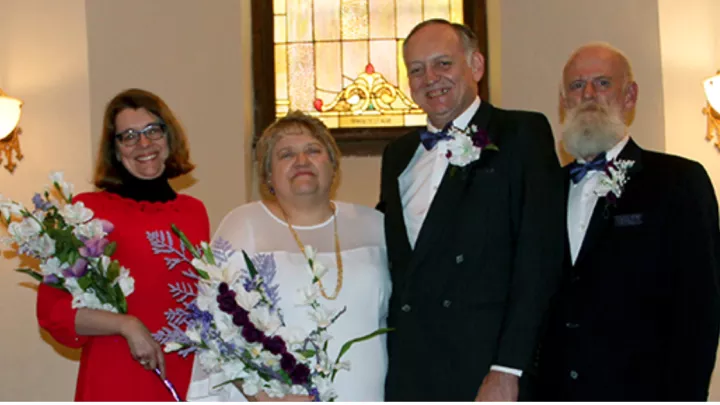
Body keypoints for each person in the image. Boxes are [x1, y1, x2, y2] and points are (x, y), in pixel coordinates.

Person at [377, 19, 565, 401]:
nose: (430, 78)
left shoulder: (521, 134)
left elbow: (539, 257)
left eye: (443, 64)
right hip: (412, 369)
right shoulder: (397, 154)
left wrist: (508, 368)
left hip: (485, 368)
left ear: (475, 66)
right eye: (416, 69)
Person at [534, 43, 720, 401]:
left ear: (630, 95)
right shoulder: (545, 190)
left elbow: (701, 306)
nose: (588, 94)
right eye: (576, 86)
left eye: (602, 83)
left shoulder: (678, 180)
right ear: (563, 101)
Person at [186, 111, 390, 402]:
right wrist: (265, 398)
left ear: (333, 165)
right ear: (268, 175)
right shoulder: (244, 225)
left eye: (313, 150)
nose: (301, 161)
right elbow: (216, 328)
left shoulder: (374, 224)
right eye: (286, 155)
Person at [36, 88, 210, 401]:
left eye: (153, 131)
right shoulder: (87, 211)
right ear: (115, 150)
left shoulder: (195, 211)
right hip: (118, 372)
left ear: (169, 137)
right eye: (128, 136)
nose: (144, 144)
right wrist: (126, 325)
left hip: (187, 373)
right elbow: (53, 312)